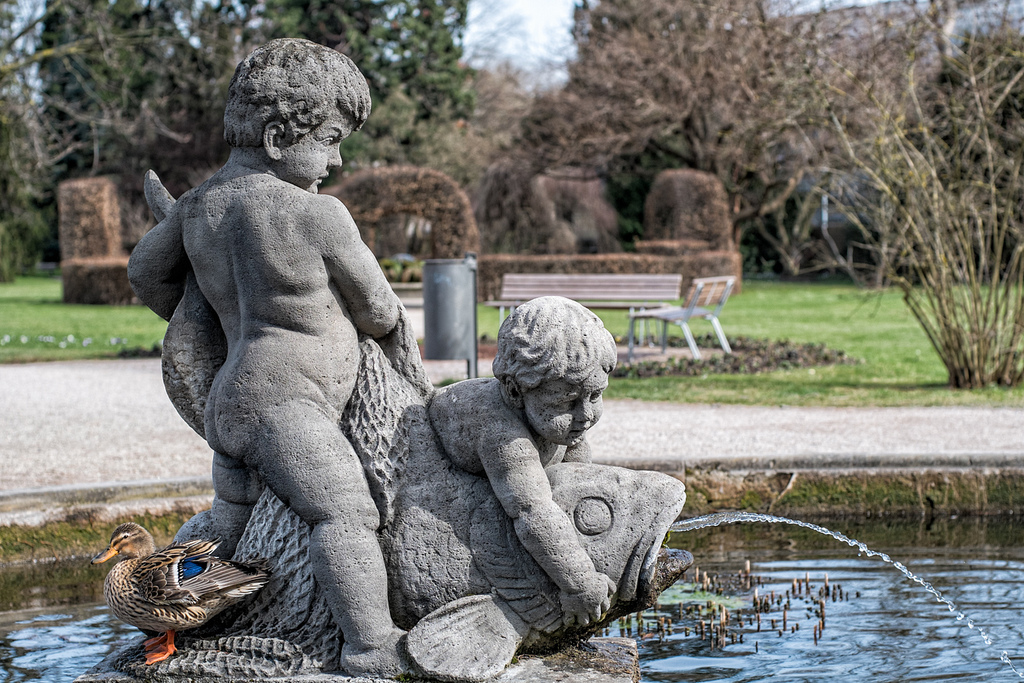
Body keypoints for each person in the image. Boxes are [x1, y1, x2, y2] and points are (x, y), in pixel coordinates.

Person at [127, 38, 419, 677]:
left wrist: (207, 314)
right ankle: (372, 645)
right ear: (283, 136)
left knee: (227, 526)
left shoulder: (198, 208)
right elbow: (376, 308)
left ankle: (165, 607)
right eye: (334, 139)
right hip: (290, 406)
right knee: (345, 512)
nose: (339, 159)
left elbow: (147, 275)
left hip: (231, 401)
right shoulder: (319, 215)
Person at [427, 296, 618, 628]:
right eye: (568, 401)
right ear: (515, 392)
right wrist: (580, 583)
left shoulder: (560, 421)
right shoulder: (501, 433)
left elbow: (579, 482)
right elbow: (532, 512)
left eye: (595, 395)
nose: (585, 414)